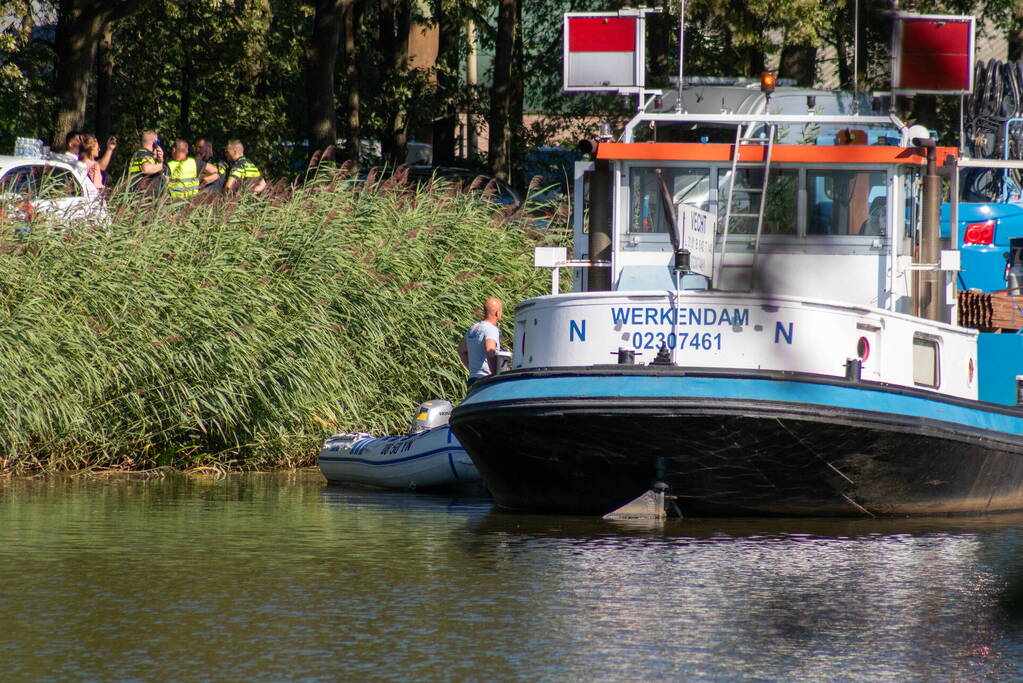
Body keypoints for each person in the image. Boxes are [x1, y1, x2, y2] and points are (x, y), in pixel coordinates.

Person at [458, 298, 504, 387]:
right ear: (497, 313)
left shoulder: (473, 328)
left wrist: (472, 370)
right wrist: (495, 374)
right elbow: (490, 351)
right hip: (486, 380)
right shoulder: (491, 329)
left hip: (472, 379)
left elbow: (461, 350)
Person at [127, 130, 165, 194]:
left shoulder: (141, 153)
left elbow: (159, 172)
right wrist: (163, 165)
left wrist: (160, 160)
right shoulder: (144, 153)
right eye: (158, 142)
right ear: (155, 143)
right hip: (142, 195)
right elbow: (146, 169)